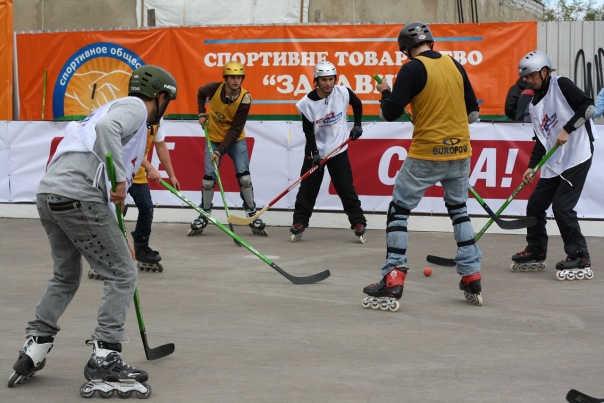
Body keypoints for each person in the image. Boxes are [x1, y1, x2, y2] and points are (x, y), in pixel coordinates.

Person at [8, 65, 177, 396]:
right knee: (123, 274)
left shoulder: (110, 107)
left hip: (51, 192)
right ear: (160, 96)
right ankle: (106, 353)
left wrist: (123, 232)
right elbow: (106, 130)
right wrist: (120, 179)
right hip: (79, 193)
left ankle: (36, 346)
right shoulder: (135, 109)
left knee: (65, 276)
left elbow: (103, 141)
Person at [362, 21, 483, 311]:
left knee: (399, 210)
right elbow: (473, 113)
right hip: (460, 152)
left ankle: (393, 275)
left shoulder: (412, 68)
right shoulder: (454, 65)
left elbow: (390, 113)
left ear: (406, 49)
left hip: (427, 153)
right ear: (431, 41)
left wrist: (385, 90)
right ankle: (471, 275)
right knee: (459, 210)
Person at [510, 50, 596, 280]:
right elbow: (541, 139)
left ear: (545, 71)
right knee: (535, 205)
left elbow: (588, 107)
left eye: (532, 76)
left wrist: (568, 129)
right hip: (554, 159)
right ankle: (536, 250)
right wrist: (532, 166)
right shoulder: (534, 104)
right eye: (526, 78)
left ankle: (579, 255)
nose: (529, 81)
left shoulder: (561, 84)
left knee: (562, 207)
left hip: (577, 154)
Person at [290, 60, 367, 243]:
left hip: (338, 149)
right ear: (316, 80)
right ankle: (300, 222)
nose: (328, 84)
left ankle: (358, 223)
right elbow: (308, 131)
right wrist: (315, 152)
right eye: (323, 80)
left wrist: (356, 126)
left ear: (335, 79)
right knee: (308, 189)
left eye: (331, 79)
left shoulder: (343, 92)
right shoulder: (307, 103)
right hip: (315, 150)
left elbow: (358, 105)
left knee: (345, 188)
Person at [188, 61, 267, 237]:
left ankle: (252, 214)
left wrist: (219, 151)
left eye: (239, 77)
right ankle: (204, 213)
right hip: (213, 139)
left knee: (244, 177)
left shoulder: (245, 98)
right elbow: (200, 93)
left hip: (235, 140)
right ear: (225, 78)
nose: (236, 81)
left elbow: (235, 129)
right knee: (208, 179)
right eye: (232, 77)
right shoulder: (214, 88)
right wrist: (201, 113)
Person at [128, 123, 180, 272]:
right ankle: (108, 253)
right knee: (117, 212)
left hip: (137, 172)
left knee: (146, 208)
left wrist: (171, 175)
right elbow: (130, 148)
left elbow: (161, 146)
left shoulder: (158, 118)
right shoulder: (136, 114)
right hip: (119, 170)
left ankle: (141, 249)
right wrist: (150, 168)